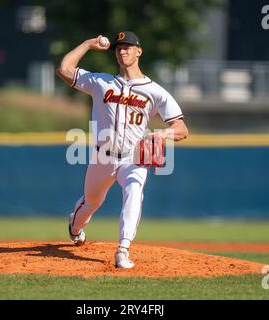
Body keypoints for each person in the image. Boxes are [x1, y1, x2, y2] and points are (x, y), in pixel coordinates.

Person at [56, 31, 189, 269]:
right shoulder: (101, 82)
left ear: (139, 51)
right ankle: (75, 229)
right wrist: (88, 43)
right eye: (119, 48)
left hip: (134, 158)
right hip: (102, 157)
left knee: (134, 193)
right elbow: (64, 69)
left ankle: (123, 249)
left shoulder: (155, 91)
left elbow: (181, 128)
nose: (122, 51)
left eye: (128, 47)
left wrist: (162, 134)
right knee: (91, 202)